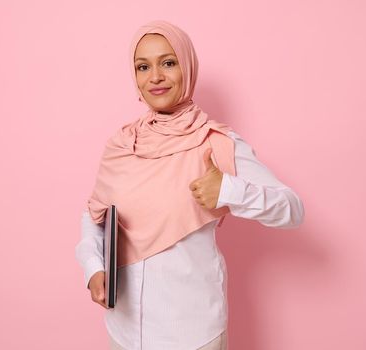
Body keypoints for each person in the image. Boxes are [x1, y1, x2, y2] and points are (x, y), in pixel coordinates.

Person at [75, 20, 305, 350]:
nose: (155, 76)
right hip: (124, 331)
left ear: (187, 66)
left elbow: (293, 209)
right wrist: (93, 267)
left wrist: (227, 190)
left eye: (168, 62)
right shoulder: (122, 145)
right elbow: (94, 215)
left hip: (192, 332)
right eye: (143, 67)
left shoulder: (216, 143)